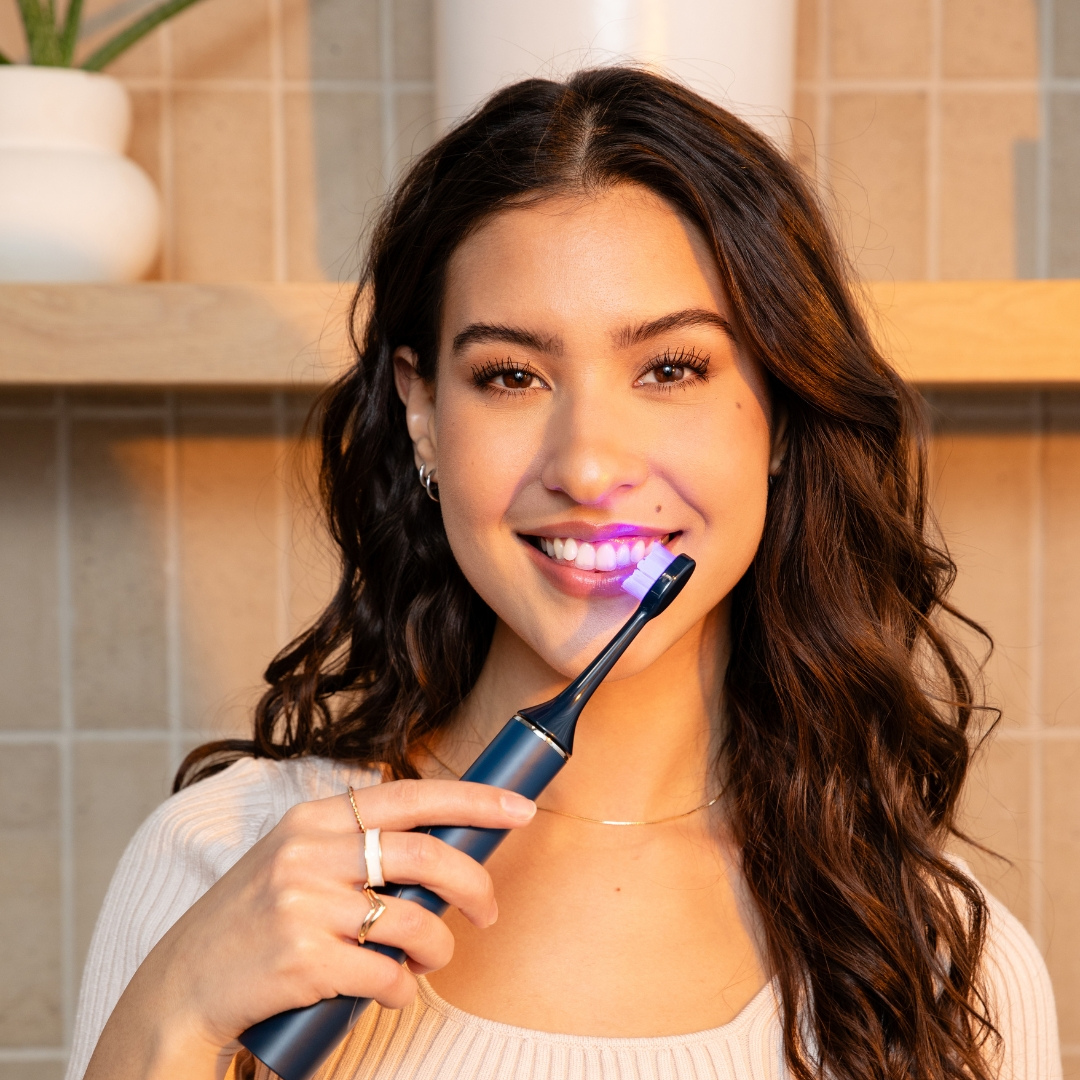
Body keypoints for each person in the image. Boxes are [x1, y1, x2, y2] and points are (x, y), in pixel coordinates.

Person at [68, 68, 1059, 1080]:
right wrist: (176, 1013)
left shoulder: (942, 965)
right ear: (422, 413)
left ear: (779, 409)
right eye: (511, 375)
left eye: (671, 369)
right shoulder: (219, 865)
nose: (586, 465)